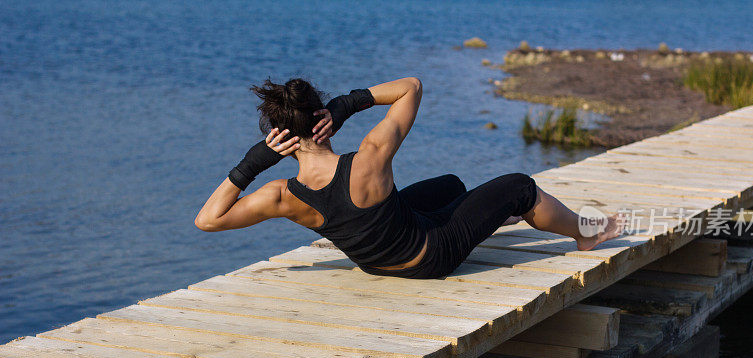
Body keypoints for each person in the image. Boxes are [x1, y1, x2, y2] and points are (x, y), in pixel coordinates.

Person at [195, 77, 622, 279]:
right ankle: (586, 233)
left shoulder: (280, 195)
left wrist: (253, 162)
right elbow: (411, 87)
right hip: (430, 257)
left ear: (277, 138)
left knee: (451, 186)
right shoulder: (369, 157)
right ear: (321, 117)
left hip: (374, 263)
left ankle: (495, 216)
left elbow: (208, 220)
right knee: (519, 186)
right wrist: (346, 105)